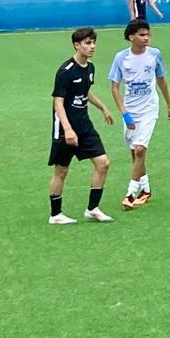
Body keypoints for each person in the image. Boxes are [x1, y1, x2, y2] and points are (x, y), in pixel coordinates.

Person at [49, 26, 116, 224]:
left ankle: (93, 209)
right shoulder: (65, 71)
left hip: (84, 125)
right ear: (77, 45)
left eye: (93, 42)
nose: (92, 46)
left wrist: (103, 108)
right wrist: (68, 129)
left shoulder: (90, 68)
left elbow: (85, 91)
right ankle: (55, 215)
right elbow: (58, 102)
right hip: (65, 128)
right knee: (61, 171)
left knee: (103, 163)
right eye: (87, 43)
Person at [109, 19, 170, 210]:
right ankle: (146, 190)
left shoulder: (155, 55)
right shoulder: (121, 58)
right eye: (142, 35)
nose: (146, 38)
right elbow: (114, 87)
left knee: (140, 150)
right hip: (131, 110)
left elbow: (162, 80)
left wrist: (169, 105)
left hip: (149, 109)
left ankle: (130, 194)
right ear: (131, 37)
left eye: (148, 34)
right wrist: (125, 114)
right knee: (134, 153)